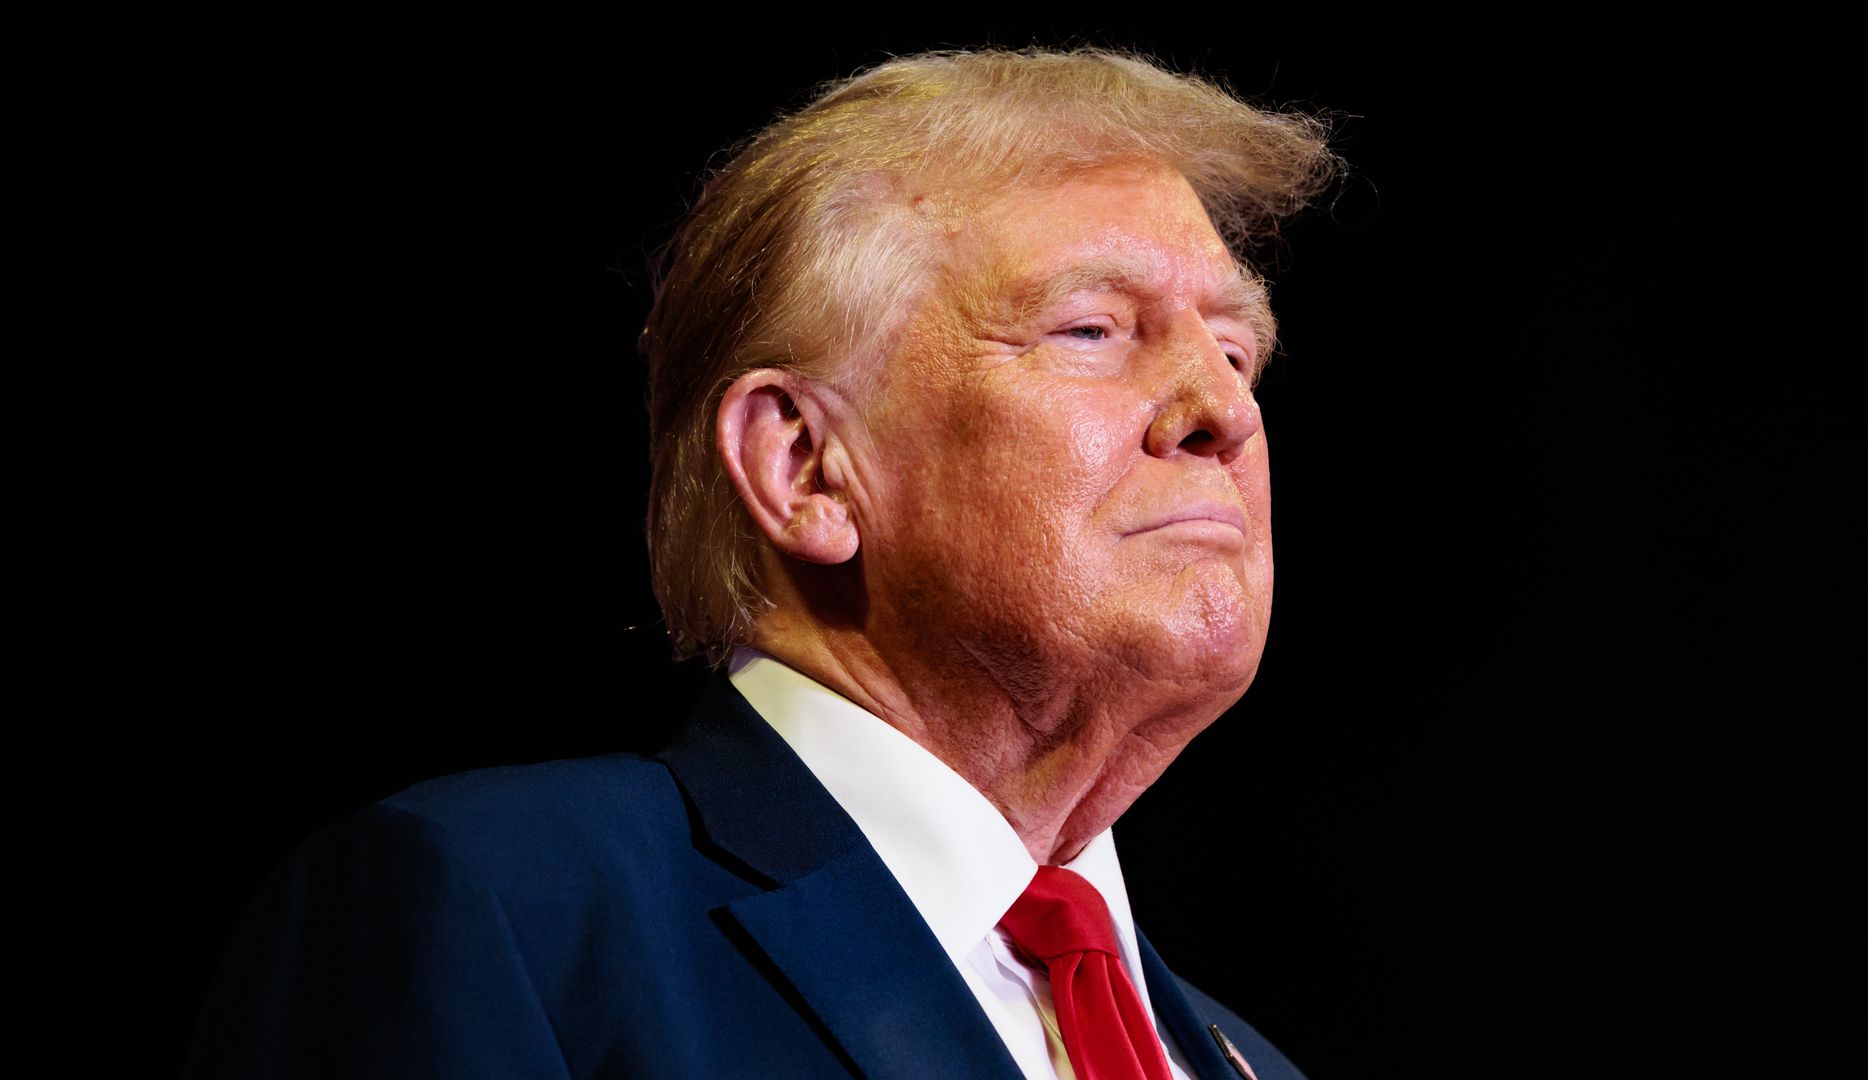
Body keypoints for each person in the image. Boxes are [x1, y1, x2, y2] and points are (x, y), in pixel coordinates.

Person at [187, 47, 1341, 1079]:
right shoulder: (500, 914)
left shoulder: (1249, 1063)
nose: (1222, 412)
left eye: (1237, 350)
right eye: (1090, 329)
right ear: (806, 468)